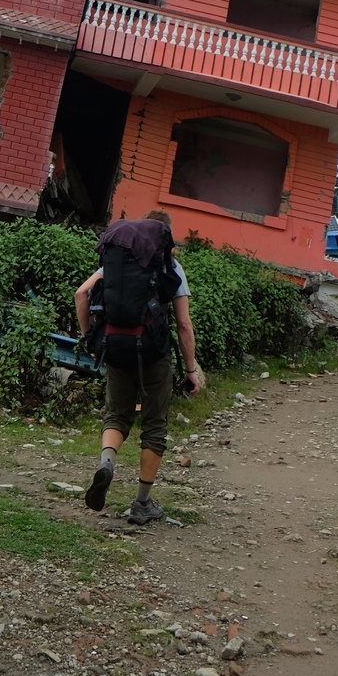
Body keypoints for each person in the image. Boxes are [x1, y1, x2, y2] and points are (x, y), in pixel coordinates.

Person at [74, 210, 204, 524]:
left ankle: (107, 464)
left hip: (115, 348)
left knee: (116, 414)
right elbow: (184, 326)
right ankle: (142, 503)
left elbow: (81, 295)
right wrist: (190, 370)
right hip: (153, 355)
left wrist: (91, 341)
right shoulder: (171, 268)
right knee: (154, 425)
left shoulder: (115, 264)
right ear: (164, 237)